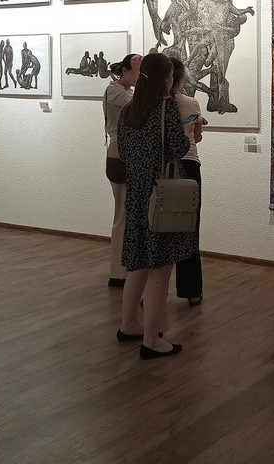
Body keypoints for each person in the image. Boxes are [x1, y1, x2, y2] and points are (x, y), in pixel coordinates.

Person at [117, 52, 194, 359]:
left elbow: (123, 150)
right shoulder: (166, 109)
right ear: (167, 77)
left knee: (137, 263)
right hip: (160, 196)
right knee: (160, 269)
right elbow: (178, 147)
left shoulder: (129, 109)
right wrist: (187, 132)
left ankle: (129, 324)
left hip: (137, 194)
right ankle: (151, 339)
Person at [103, 53, 142, 288]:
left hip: (126, 150)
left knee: (127, 212)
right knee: (122, 212)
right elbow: (138, 109)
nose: (140, 76)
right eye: (137, 71)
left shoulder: (126, 92)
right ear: (125, 71)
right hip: (120, 151)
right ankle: (118, 271)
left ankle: (125, 269)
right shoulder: (115, 91)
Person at [171, 57, 205, 304]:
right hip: (189, 165)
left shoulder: (153, 104)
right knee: (190, 228)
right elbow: (198, 137)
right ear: (181, 78)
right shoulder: (191, 103)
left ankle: (151, 289)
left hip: (163, 166)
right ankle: (191, 290)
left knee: (158, 225)